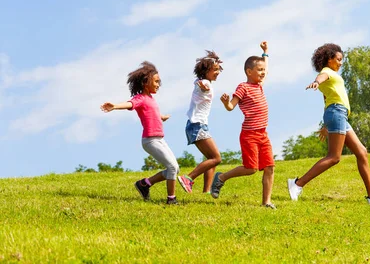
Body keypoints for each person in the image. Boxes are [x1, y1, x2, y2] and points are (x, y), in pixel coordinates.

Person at [287, 43, 370, 206]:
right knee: (334, 157)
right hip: (336, 113)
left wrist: (326, 125)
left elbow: (326, 100)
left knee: (361, 151)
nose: (341, 63)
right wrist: (315, 82)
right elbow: (320, 78)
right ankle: (297, 184)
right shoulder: (326, 72)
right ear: (329, 60)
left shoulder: (332, 75)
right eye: (338, 59)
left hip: (338, 115)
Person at [100, 61, 180, 205]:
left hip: (160, 139)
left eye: (159, 82)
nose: (158, 84)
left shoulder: (150, 99)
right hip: (150, 140)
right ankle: (171, 200)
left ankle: (145, 184)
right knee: (172, 167)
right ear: (145, 82)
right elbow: (130, 104)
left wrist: (162, 117)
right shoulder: (140, 98)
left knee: (175, 168)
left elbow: (152, 113)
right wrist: (115, 106)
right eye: (155, 81)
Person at [211, 41, 276, 209]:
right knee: (251, 169)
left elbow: (266, 67)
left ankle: (266, 202)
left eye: (263, 70)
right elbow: (232, 106)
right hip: (249, 134)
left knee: (269, 167)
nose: (263, 73)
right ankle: (221, 178)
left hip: (263, 134)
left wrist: (265, 52)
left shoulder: (259, 85)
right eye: (259, 70)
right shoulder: (243, 87)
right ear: (249, 71)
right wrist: (226, 103)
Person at [177, 51, 223, 194]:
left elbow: (199, 82)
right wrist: (203, 84)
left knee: (211, 158)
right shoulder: (204, 82)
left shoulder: (201, 82)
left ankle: (206, 191)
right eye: (215, 70)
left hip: (197, 125)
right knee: (216, 158)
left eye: (218, 70)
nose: (217, 72)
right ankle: (188, 178)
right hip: (197, 126)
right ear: (206, 71)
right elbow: (202, 83)